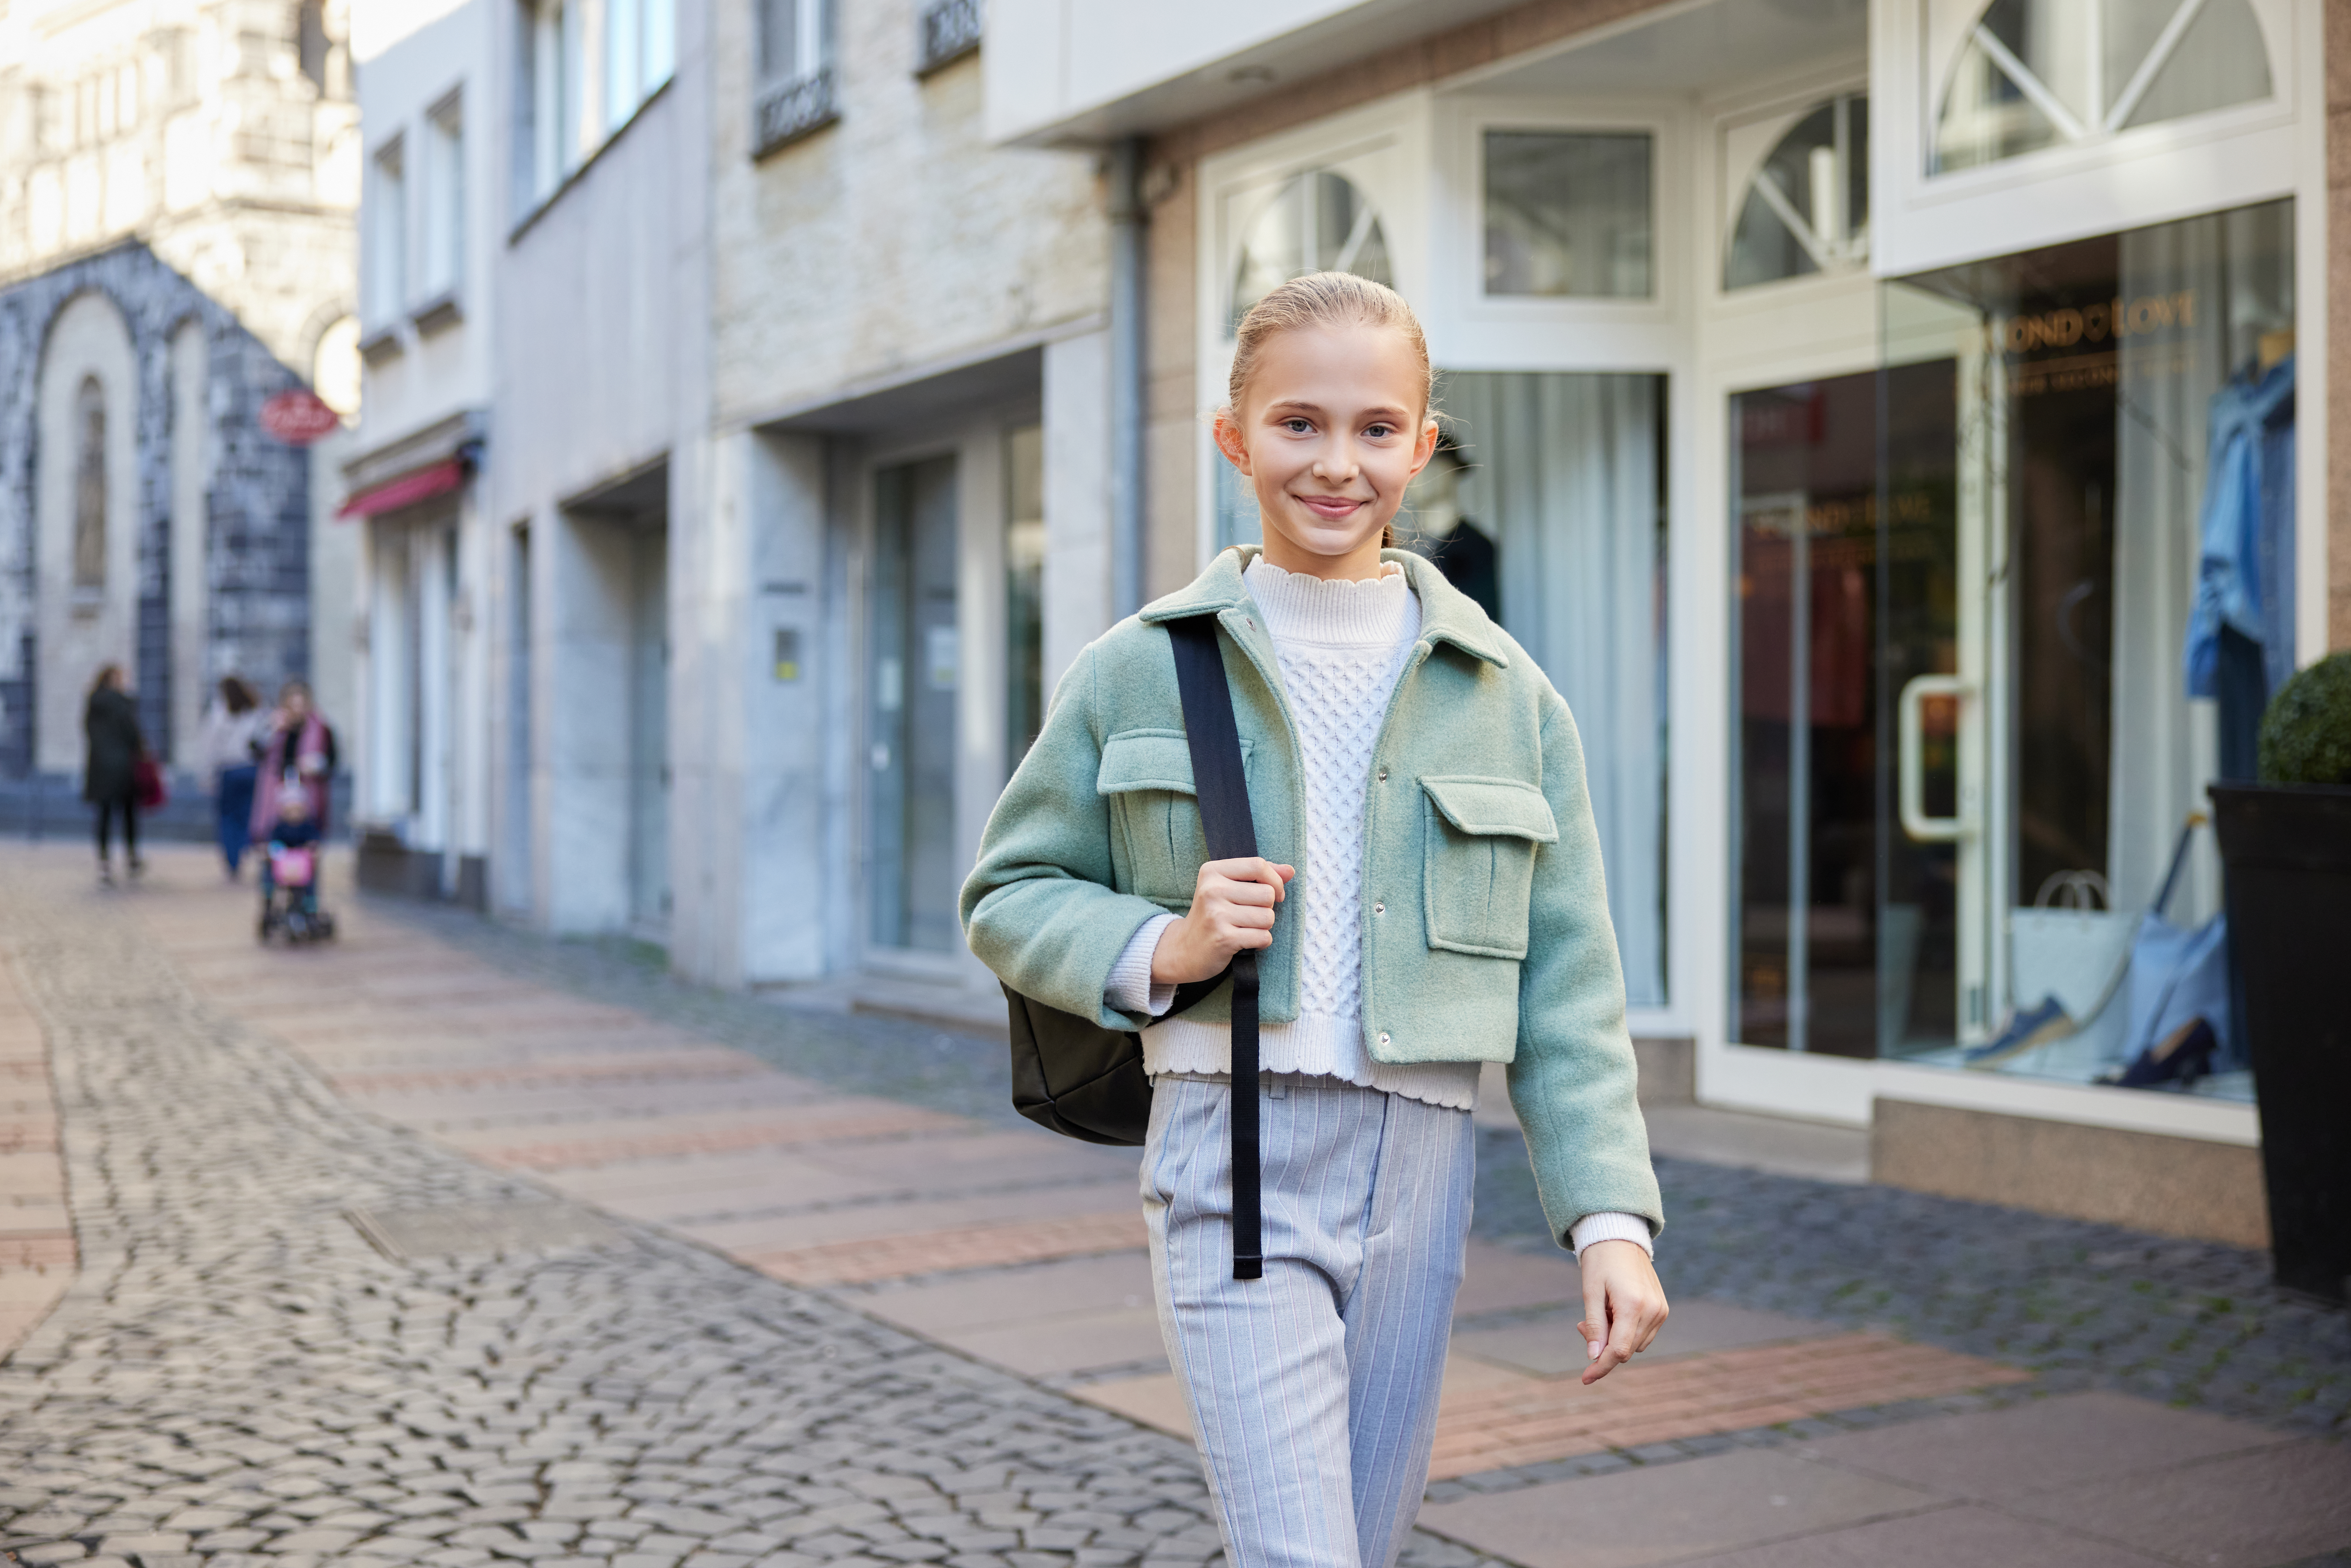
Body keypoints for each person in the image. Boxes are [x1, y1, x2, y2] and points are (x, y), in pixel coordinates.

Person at [963, 273, 1666, 1568]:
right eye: (1298, 424)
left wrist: (1609, 1220)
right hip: (1230, 1144)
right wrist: (1158, 945)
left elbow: (1569, 983)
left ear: (1421, 445)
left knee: (1365, 1540)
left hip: (1424, 1158)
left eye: (1375, 429)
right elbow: (1009, 891)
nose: (1337, 463)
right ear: (1234, 437)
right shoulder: (1138, 664)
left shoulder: (1508, 693)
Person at [249, 679, 337, 847]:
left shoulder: (321, 728)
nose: (297, 711)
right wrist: (271, 729)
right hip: (275, 794)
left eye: (301, 705)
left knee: (308, 845)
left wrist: (317, 765)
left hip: (308, 795)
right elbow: (255, 750)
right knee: (273, 843)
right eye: (293, 705)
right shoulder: (274, 724)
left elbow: (332, 761)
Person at [82, 663, 146, 885]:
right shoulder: (122, 704)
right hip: (124, 768)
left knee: (104, 816)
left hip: (100, 768)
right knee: (128, 815)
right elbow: (133, 734)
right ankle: (131, 857)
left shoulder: (93, 703)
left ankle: (104, 863)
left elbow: (87, 731)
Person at [197, 676, 265, 878]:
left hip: (228, 770)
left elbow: (210, 749)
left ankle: (233, 860)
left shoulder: (218, 715)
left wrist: (207, 775)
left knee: (227, 818)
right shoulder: (255, 713)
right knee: (247, 815)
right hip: (250, 769)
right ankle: (244, 852)